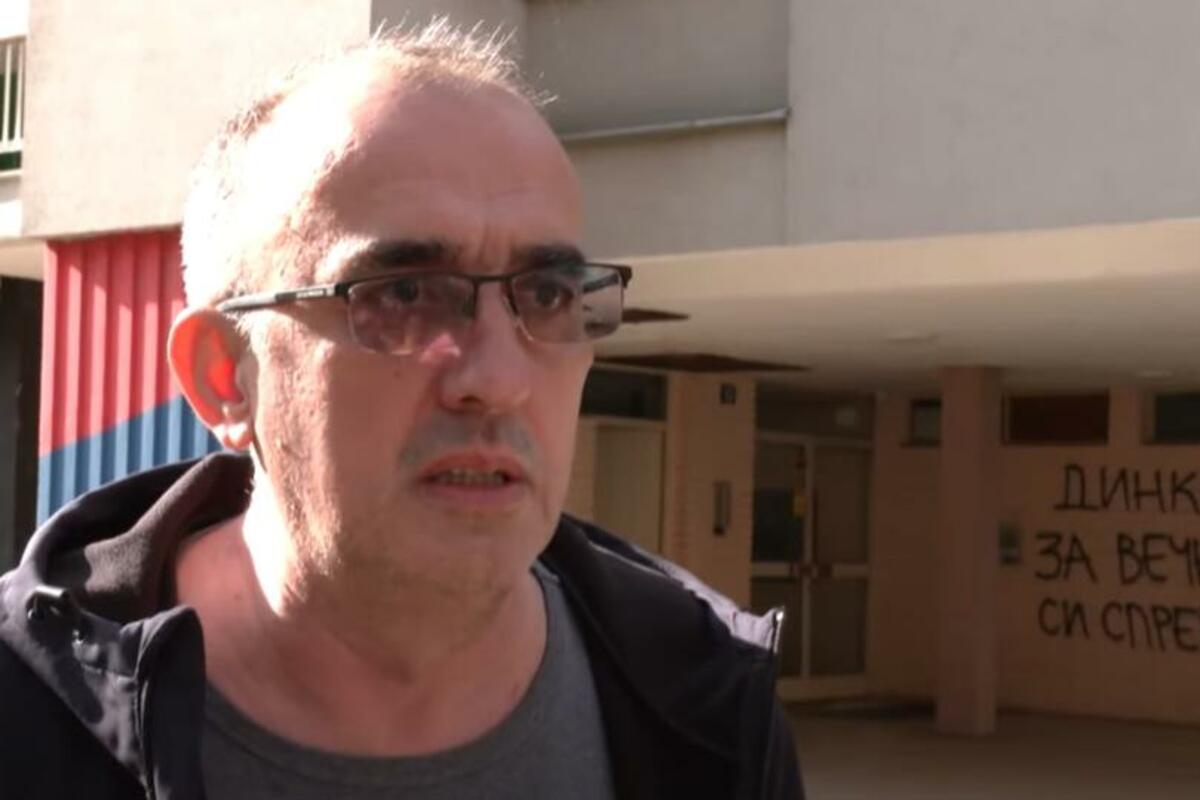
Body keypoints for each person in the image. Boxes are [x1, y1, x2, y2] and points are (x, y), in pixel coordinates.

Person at [0, 20, 802, 799]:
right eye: (406, 294)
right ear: (223, 376)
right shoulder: (25, 718)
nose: (498, 379)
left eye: (548, 294)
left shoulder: (704, 707)